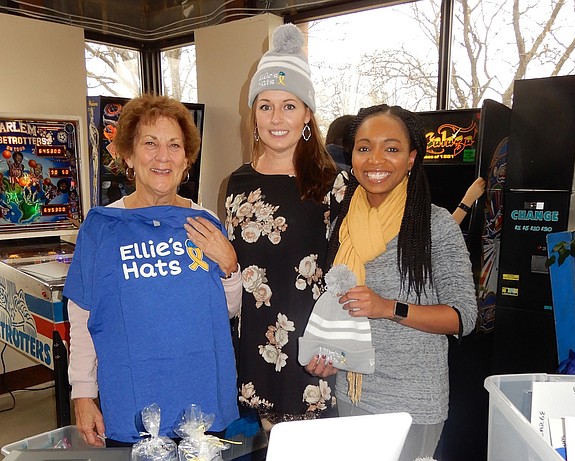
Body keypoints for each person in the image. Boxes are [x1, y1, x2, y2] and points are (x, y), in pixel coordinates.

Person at [64, 93, 241, 447]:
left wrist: (230, 265)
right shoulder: (101, 228)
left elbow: (228, 312)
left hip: (201, 399)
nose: (163, 156)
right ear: (128, 155)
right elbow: (83, 317)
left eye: (174, 145)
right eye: (150, 144)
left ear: (187, 159)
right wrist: (82, 393)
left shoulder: (205, 223)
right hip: (133, 402)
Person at [307, 104, 477, 461]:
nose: (376, 160)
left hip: (412, 401)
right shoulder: (343, 223)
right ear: (351, 155)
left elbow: (462, 317)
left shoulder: (435, 225)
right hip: (353, 389)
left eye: (392, 148)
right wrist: (326, 354)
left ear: (412, 158)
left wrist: (389, 308)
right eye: (364, 147)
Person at [225, 23, 345, 431]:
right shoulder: (237, 183)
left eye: (289, 106)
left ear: (308, 114)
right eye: (265, 105)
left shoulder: (332, 183)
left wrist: (333, 345)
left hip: (310, 356)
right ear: (253, 113)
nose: (276, 118)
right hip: (251, 351)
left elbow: (348, 272)